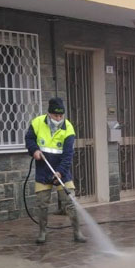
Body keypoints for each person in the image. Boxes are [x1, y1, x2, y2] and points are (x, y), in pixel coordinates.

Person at [25, 97, 86, 245]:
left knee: (70, 201)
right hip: (43, 169)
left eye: (61, 116)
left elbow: (68, 155)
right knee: (42, 203)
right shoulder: (37, 123)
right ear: (49, 114)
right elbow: (29, 139)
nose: (58, 118)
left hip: (61, 171)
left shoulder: (68, 128)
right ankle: (42, 232)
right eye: (55, 115)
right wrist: (34, 150)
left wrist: (60, 172)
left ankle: (77, 232)